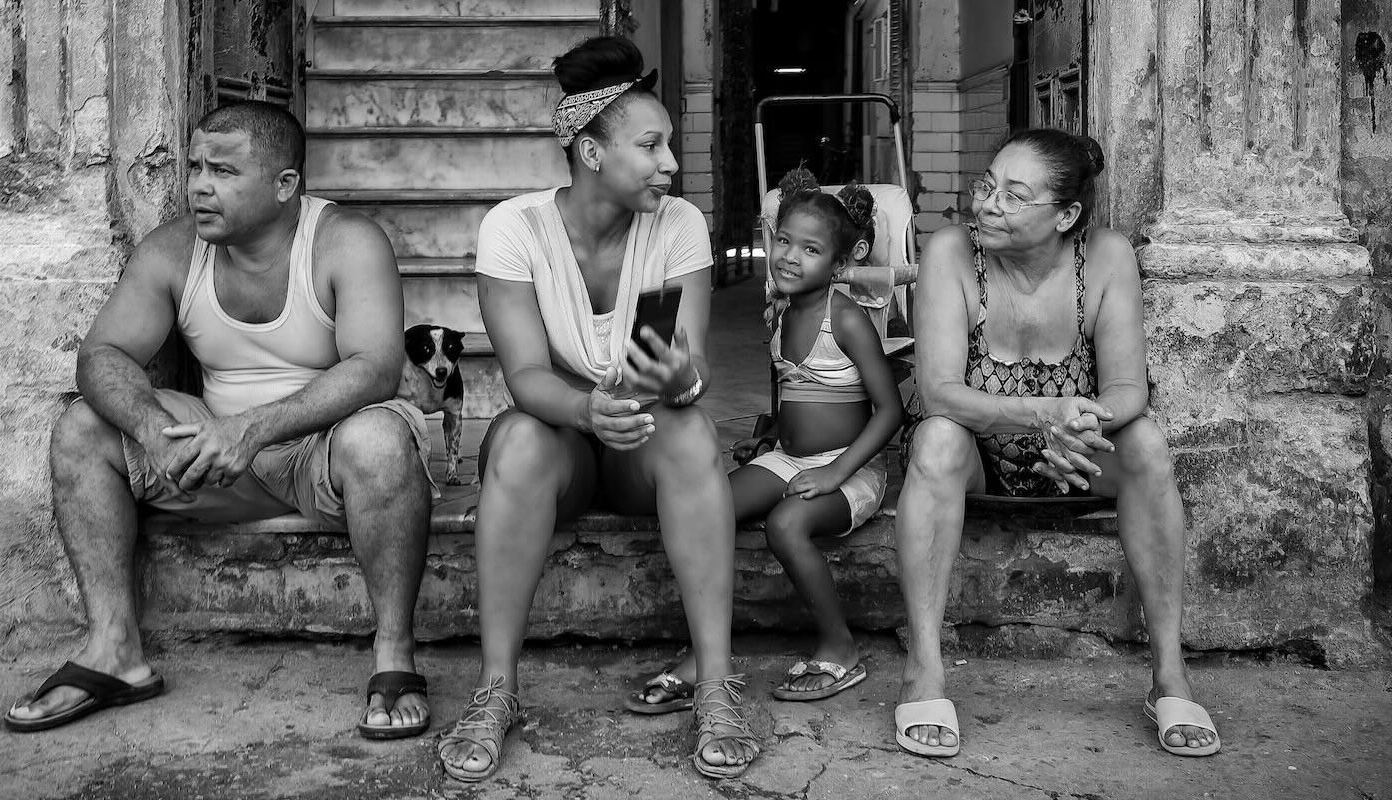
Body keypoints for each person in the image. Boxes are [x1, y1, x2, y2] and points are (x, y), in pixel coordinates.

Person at [1, 101, 438, 742]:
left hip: (320, 453)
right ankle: (114, 649)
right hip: (212, 452)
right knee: (82, 429)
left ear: (285, 185)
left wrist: (254, 429)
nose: (200, 185)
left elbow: (375, 366)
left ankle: (394, 654)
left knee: (380, 437)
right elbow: (102, 355)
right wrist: (151, 427)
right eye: (195, 167)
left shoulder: (346, 241)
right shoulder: (175, 251)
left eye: (225, 171)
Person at [434, 36, 760, 782]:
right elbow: (524, 376)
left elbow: (674, 367)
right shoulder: (514, 229)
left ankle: (714, 686)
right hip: (560, 442)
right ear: (590, 153)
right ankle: (496, 691)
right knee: (518, 439)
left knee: (690, 431)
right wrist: (587, 410)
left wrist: (682, 378)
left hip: (640, 440)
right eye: (651, 146)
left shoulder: (675, 226)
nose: (670, 164)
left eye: (669, 145)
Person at [893, 129, 1220, 758]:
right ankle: (924, 669)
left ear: (1065, 215)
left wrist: (1077, 426)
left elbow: (1127, 388)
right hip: (981, 459)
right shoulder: (950, 253)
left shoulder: (1107, 257)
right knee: (934, 440)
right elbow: (939, 393)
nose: (987, 204)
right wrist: (1043, 413)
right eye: (987, 185)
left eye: (1014, 197)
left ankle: (1170, 674)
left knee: (1146, 442)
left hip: (1074, 456)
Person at [627, 169, 903, 710]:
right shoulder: (778, 313)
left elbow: (889, 411)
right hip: (791, 457)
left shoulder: (845, 320)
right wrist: (772, 435)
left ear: (840, 265)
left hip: (851, 467)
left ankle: (840, 646)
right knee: (706, 507)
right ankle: (706, 656)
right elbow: (800, 397)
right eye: (784, 241)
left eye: (812, 249)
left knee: (786, 523)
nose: (791, 257)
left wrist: (835, 473)